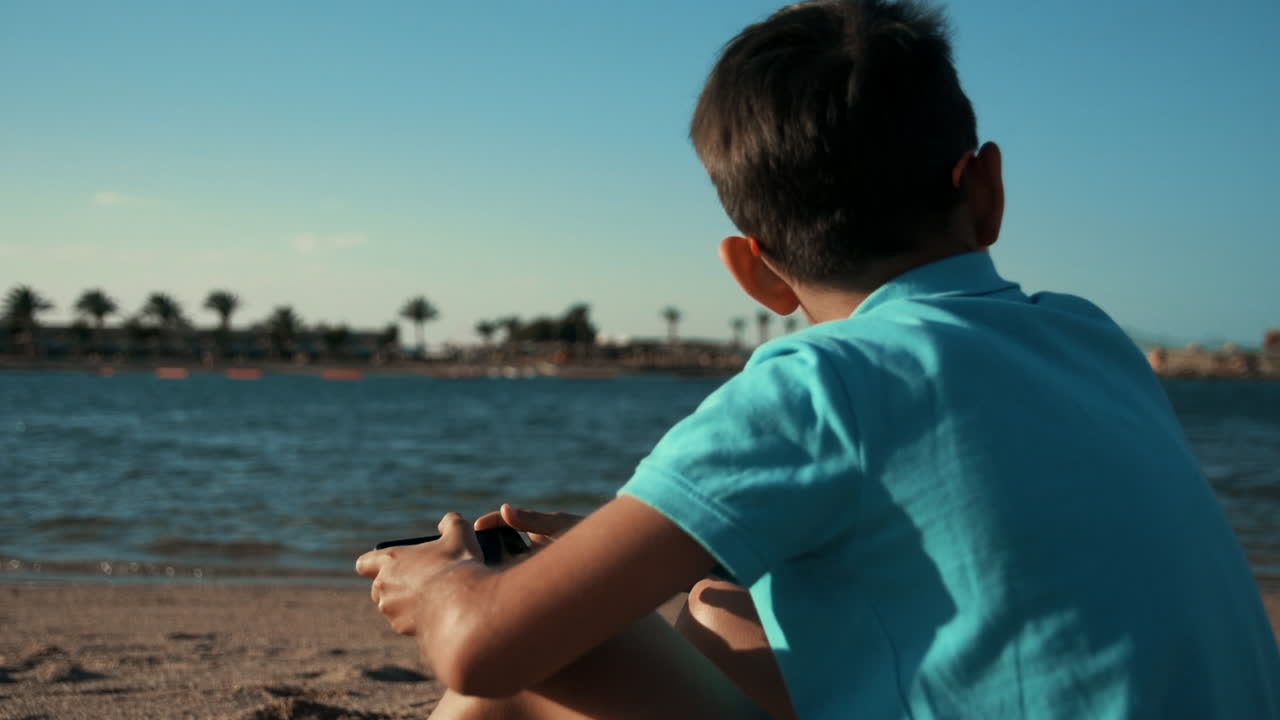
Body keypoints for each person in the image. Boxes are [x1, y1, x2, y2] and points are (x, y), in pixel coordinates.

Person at [356, 1, 1280, 717]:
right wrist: (634, 550)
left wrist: (448, 585)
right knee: (725, 595)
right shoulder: (1089, 337)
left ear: (753, 269)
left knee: (533, 660)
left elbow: (484, 647)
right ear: (987, 189)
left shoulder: (814, 387)